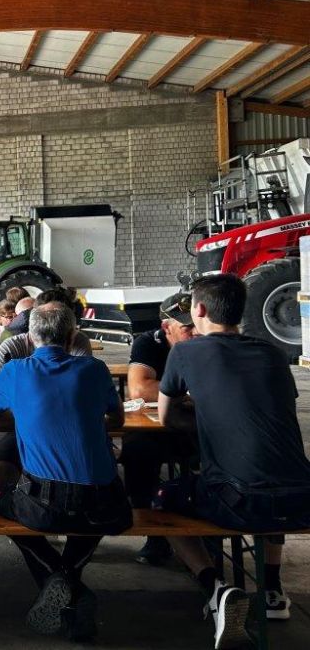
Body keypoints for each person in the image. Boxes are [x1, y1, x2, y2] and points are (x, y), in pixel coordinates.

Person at [158, 274, 310, 648]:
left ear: (199, 310)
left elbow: (165, 417)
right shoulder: (273, 354)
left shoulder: (185, 352)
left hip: (237, 499)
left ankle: (215, 589)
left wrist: (205, 417)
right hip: (302, 497)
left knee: (161, 502)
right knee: (272, 472)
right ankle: (272, 589)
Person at [0, 303, 131, 640]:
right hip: (103, 506)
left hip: (44, 505)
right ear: (72, 335)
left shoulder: (16, 371)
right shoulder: (94, 370)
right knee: (99, 512)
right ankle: (71, 584)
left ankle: (59, 581)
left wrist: (25, 416)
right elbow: (117, 421)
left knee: (0, 503)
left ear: (31, 336)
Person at [0, 289, 94, 496]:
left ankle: (42, 509)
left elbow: (82, 398)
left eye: (61, 321)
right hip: (15, 427)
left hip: (66, 428)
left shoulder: (80, 344)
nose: (54, 326)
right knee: (1, 463)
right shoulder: (12, 346)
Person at [120, 292, 196, 566]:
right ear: (166, 328)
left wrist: (167, 392)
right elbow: (139, 389)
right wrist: (190, 393)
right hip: (160, 427)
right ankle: (154, 532)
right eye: (187, 328)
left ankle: (208, 534)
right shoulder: (149, 343)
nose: (196, 332)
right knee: (136, 449)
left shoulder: (207, 342)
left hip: (197, 427)